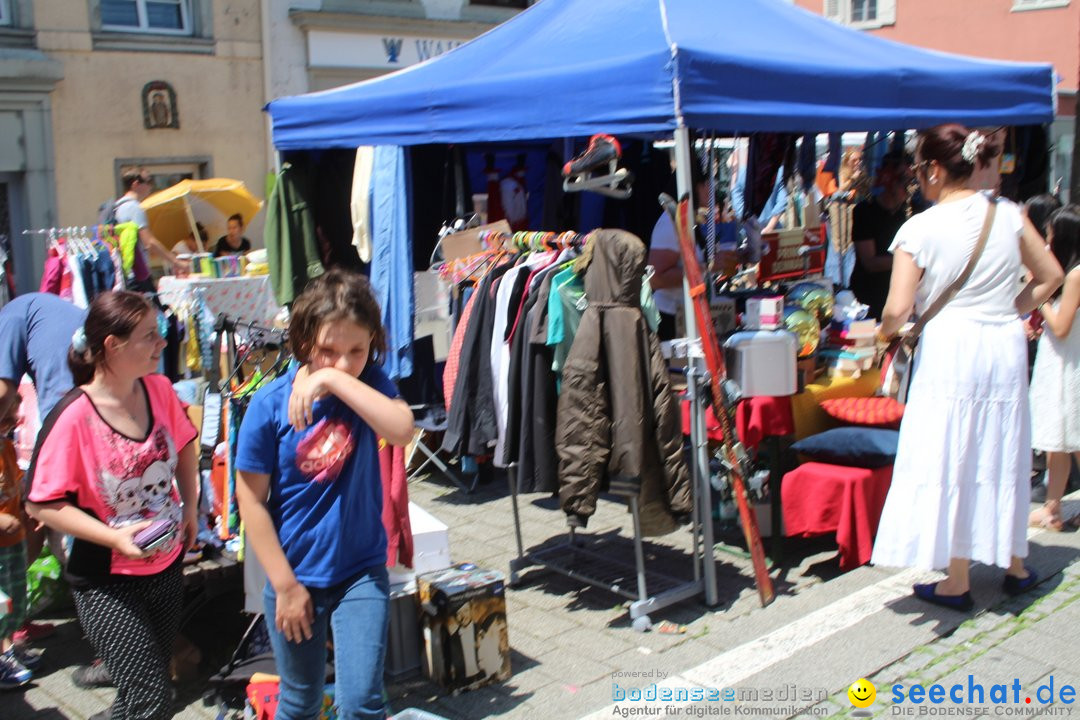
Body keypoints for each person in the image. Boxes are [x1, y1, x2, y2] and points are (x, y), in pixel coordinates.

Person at [870, 124, 1064, 611]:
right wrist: (1011, 307)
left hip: (951, 347)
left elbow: (896, 308)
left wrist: (885, 333)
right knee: (1002, 445)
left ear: (934, 169)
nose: (916, 179)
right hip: (1002, 344)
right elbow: (1052, 275)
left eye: (917, 170)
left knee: (954, 451)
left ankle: (958, 578)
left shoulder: (919, 227)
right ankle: (1016, 563)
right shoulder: (1008, 213)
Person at [234, 269, 414, 720]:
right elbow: (250, 501)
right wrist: (285, 585)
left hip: (360, 571)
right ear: (302, 341)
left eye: (357, 350)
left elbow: (401, 428)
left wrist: (332, 382)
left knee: (361, 703)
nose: (343, 361)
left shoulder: (370, 382)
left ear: (373, 341)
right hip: (294, 577)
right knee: (300, 701)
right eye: (328, 351)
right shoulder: (269, 404)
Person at [26, 291, 199, 720]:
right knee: (151, 701)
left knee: (140, 694)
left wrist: (192, 507)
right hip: (105, 580)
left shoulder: (159, 389)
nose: (162, 343)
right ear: (112, 346)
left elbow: (186, 444)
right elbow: (40, 504)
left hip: (165, 566)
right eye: (149, 336)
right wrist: (114, 537)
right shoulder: (73, 416)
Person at [0, 292, 86, 643]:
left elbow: (4, 390)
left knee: (41, 513)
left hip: (66, 415)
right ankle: (14, 617)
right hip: (90, 408)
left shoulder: (9, 318)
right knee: (34, 517)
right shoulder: (45, 310)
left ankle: (14, 617)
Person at [1028, 205, 1080, 530]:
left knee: (1070, 439)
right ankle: (1053, 508)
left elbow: (1061, 327)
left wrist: (1041, 300)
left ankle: (1053, 508)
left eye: (1049, 233)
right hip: (1062, 364)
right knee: (1059, 442)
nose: (1046, 240)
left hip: (1067, 367)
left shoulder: (1075, 275)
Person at [0, 394, 43, 689]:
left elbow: (15, 484)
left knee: (16, 595)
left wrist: (28, 505)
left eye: (14, 416)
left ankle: (9, 647)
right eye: (6, 417)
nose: (13, 422)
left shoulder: (6, 446)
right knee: (1, 602)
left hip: (13, 541)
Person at [848, 152, 913, 319]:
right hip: (869, 297)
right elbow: (870, 262)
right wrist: (910, 261)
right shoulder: (865, 211)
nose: (910, 187)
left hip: (900, 296)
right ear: (888, 181)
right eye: (905, 182)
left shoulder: (909, 212)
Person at [113, 169, 188, 288]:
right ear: (135, 184)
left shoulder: (118, 208)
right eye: (148, 182)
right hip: (138, 273)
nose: (151, 186)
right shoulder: (134, 208)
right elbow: (149, 243)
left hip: (125, 273)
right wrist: (177, 262)